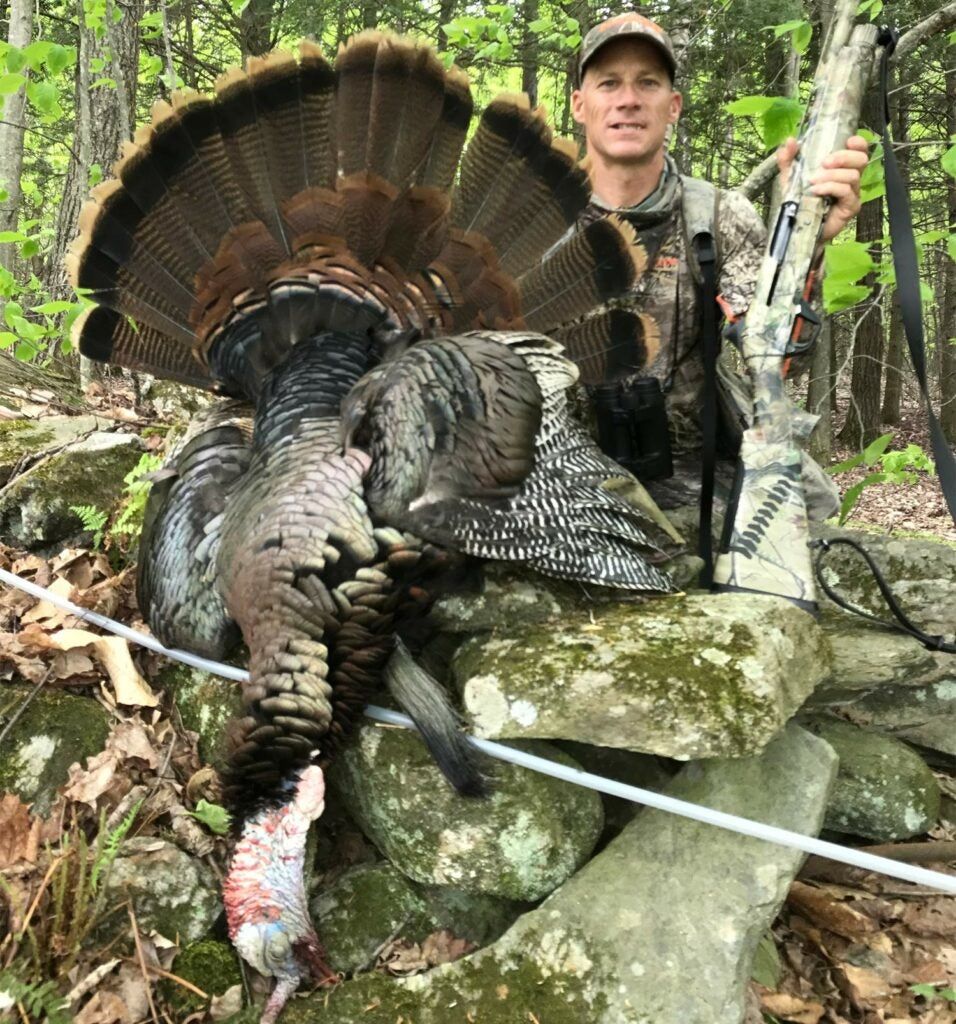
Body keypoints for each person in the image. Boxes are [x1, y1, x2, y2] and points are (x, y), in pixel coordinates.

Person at [567, 12, 868, 512]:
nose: (628, 100)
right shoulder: (532, 219)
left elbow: (782, 359)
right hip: (558, 471)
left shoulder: (715, 215)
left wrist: (807, 240)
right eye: (608, 83)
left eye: (648, 83)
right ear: (580, 104)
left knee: (810, 512)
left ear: (674, 106)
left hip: (691, 472)